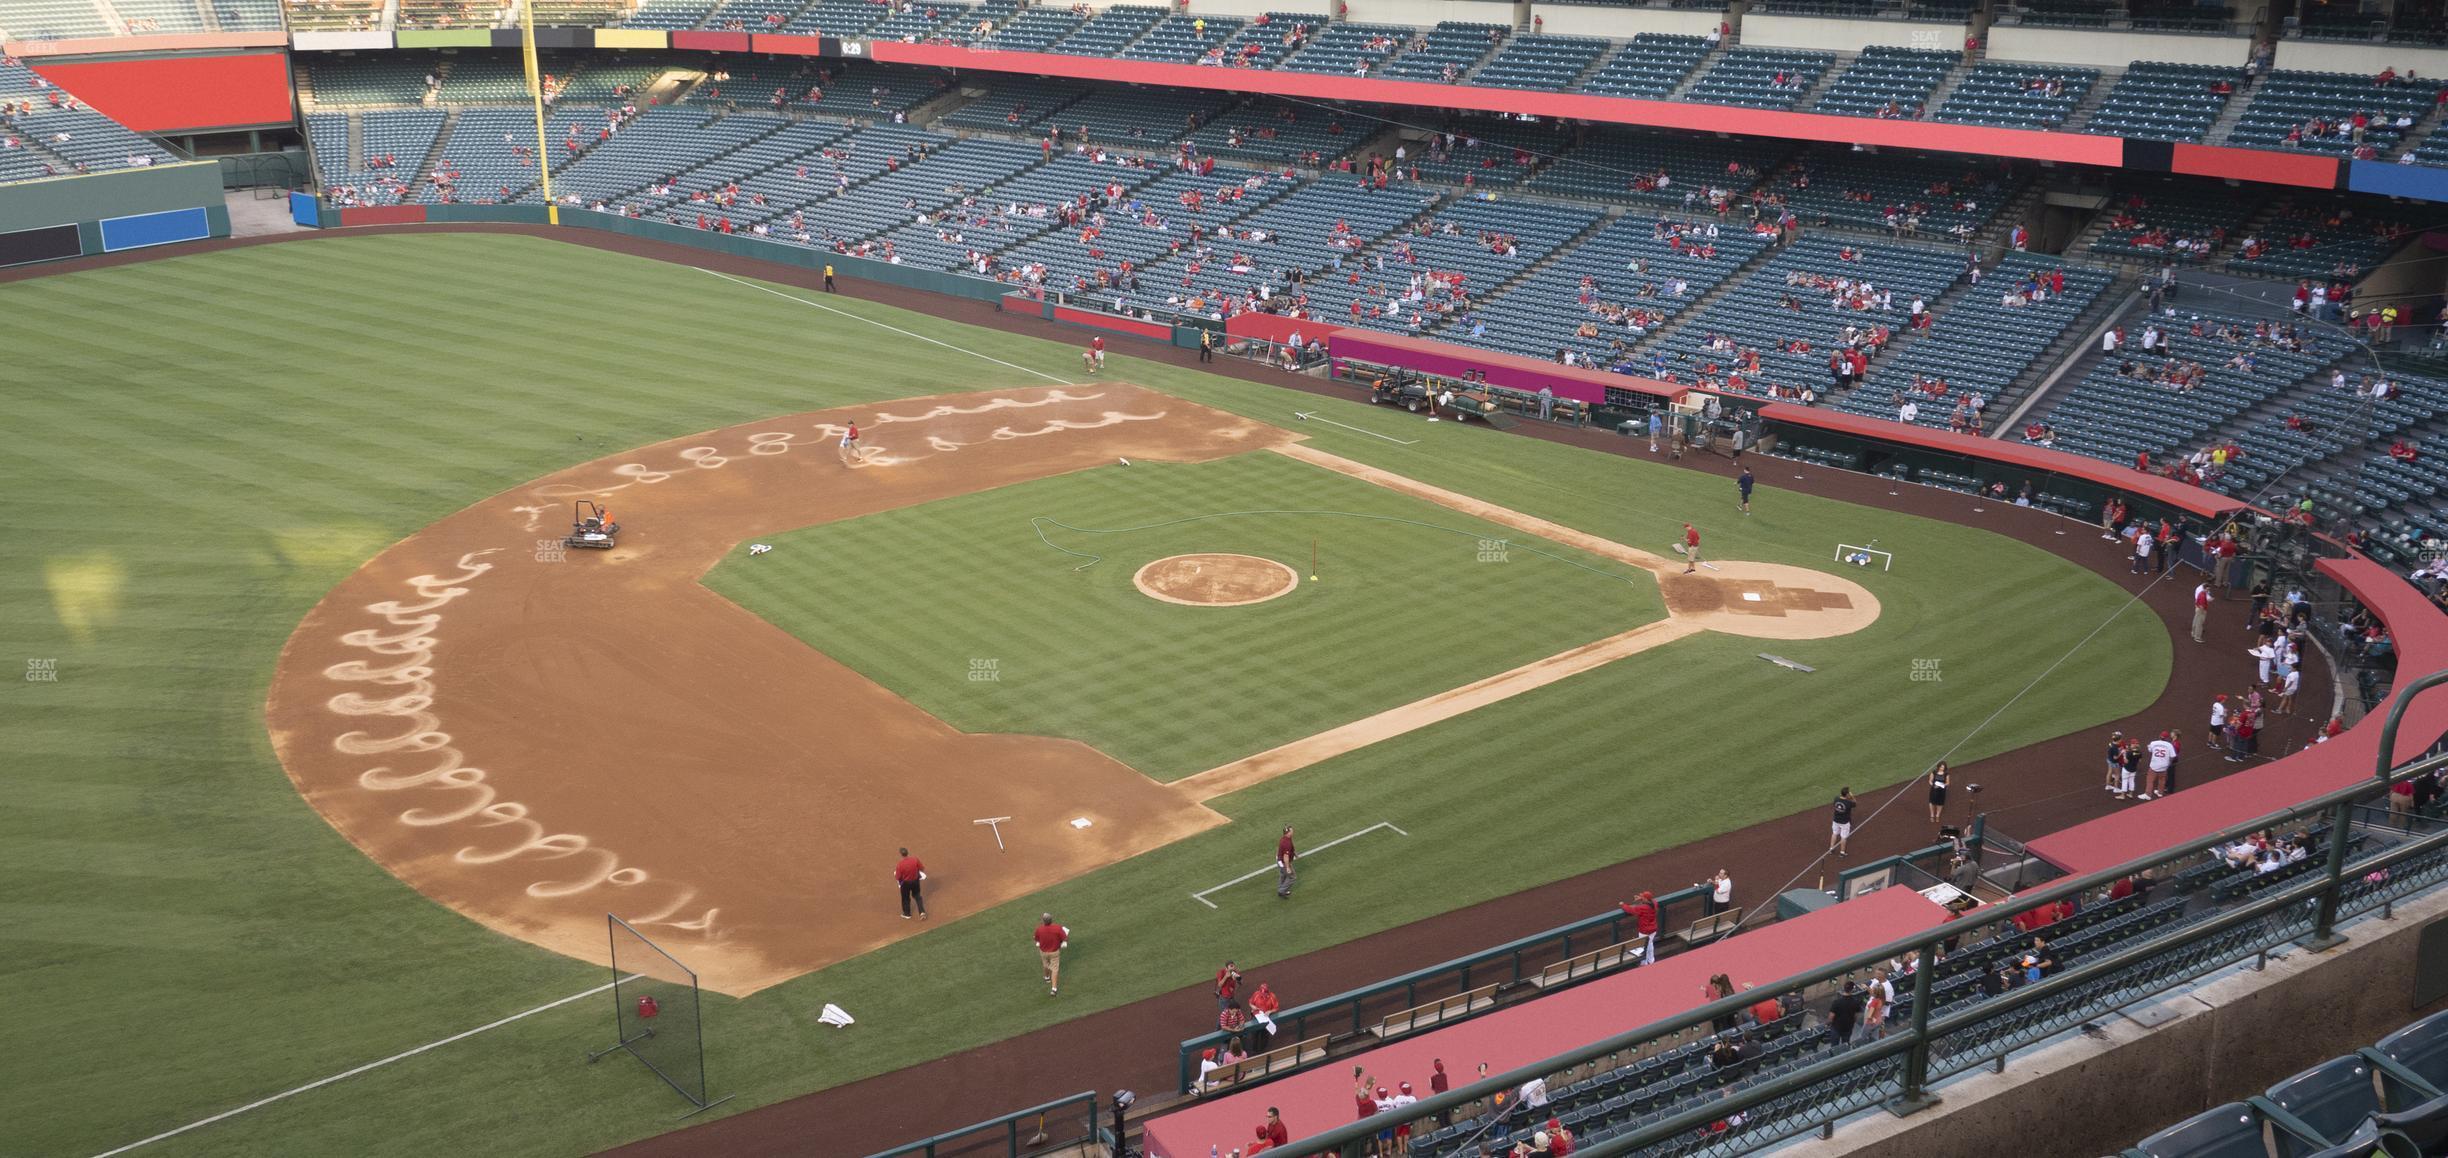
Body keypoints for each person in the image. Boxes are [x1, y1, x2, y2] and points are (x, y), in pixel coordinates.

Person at [1619, 891, 1661, 963]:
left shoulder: (1643, 907)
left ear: (1646, 899)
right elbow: (1650, 900)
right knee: (1650, 944)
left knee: (1643, 947)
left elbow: (1631, 910)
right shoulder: (1654, 903)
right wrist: (1641, 898)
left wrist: (1623, 905)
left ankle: (1644, 963)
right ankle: (1651, 961)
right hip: (1653, 929)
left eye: (1643, 897)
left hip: (1644, 931)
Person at [1033, 913, 1069, 994]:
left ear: (1043, 921)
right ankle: (1054, 989)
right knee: (1055, 969)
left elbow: (1036, 939)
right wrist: (1063, 942)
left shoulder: (1039, 929)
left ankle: (1046, 977)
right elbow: (1065, 938)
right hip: (1054, 952)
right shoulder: (1057, 928)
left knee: (1045, 964)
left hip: (1043, 952)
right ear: (1051, 920)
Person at [894, 846, 927, 919]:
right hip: (915, 882)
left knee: (905, 898)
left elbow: (897, 877)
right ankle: (922, 912)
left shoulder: (900, 864)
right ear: (907, 853)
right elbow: (922, 868)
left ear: (901, 854)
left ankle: (907, 914)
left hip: (906, 884)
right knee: (918, 896)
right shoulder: (915, 860)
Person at [1828, 981, 1865, 1045]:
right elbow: (1855, 1016)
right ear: (1852, 990)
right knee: (1845, 1045)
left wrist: (1828, 1024)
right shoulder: (1855, 1003)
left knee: (1834, 1046)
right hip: (1848, 1027)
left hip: (1836, 1027)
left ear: (1844, 988)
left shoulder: (1836, 1002)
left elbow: (1831, 1017)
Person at [1831, 787, 1856, 856]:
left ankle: (1831, 848)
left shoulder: (1836, 799)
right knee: (1843, 837)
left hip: (1835, 820)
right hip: (1844, 822)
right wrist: (1852, 796)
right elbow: (1854, 803)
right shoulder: (1848, 803)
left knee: (1834, 833)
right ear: (1847, 794)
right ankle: (1842, 852)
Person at [1276, 824, 1297, 898]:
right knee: (1292, 877)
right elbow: (1285, 856)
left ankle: (1281, 889)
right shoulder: (1286, 843)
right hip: (1283, 862)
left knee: (1283, 875)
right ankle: (1281, 891)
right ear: (1288, 832)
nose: (1293, 831)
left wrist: (1294, 853)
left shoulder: (1285, 838)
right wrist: (1287, 867)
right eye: (1292, 830)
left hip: (1279, 860)